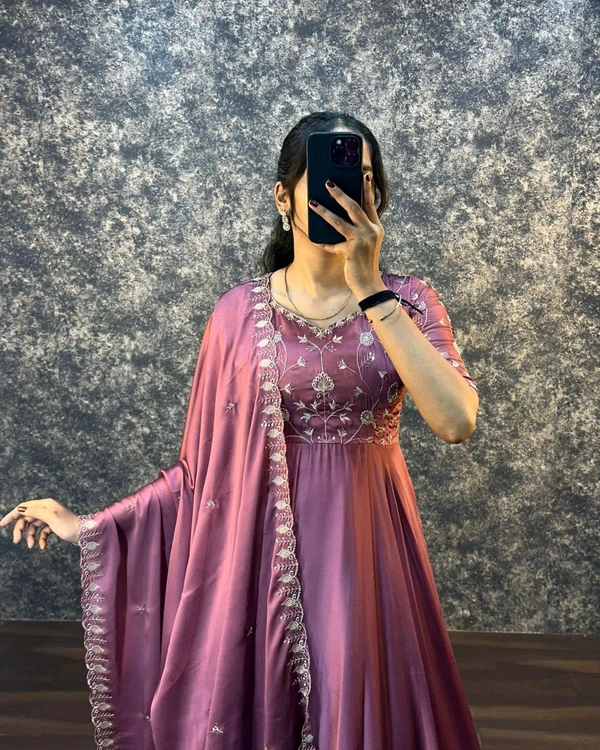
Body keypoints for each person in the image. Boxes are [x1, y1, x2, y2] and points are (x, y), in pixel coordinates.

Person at [0, 111, 482, 750]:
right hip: (257, 562)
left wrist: (370, 289)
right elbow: (201, 476)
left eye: (364, 179)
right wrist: (91, 525)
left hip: (368, 554)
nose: (348, 193)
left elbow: (456, 421)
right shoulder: (237, 315)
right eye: (329, 179)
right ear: (284, 198)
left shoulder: (409, 300)